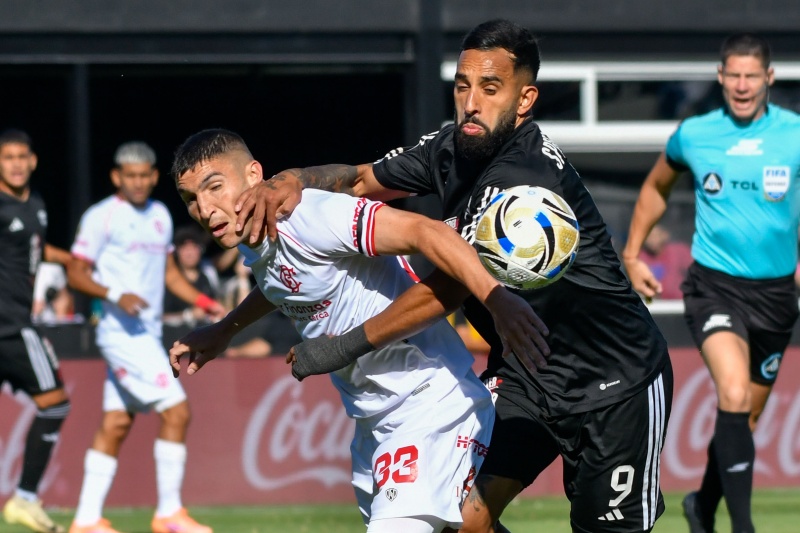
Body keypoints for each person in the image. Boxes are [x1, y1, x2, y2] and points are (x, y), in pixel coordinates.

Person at [235, 19, 673, 533]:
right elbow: (358, 178)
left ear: (525, 98)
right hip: (527, 379)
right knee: (462, 520)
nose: (471, 102)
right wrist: (291, 181)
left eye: (490, 89)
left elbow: (445, 289)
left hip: (614, 383)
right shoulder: (449, 148)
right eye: (463, 86)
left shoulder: (523, 178)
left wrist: (339, 347)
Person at [168, 128, 546, 533]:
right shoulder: (254, 240)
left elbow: (427, 232)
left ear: (253, 174)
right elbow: (281, 284)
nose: (205, 209)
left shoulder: (310, 215)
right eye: (192, 200)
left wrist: (497, 298)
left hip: (429, 404)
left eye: (214, 187)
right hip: (373, 424)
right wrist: (224, 330)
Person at [622, 33, 800, 533]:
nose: (742, 86)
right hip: (714, 287)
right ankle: (742, 526)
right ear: (720, 78)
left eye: (751, 76)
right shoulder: (695, 134)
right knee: (734, 396)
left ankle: (701, 504)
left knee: (742, 419)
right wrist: (632, 253)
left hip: (777, 296)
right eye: (733, 76)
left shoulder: (794, 134)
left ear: (769, 78)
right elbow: (657, 186)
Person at [66, 141, 224, 533]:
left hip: (147, 334)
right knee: (177, 410)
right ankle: (169, 514)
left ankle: (85, 521)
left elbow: (170, 275)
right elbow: (75, 272)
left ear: (154, 177)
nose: (138, 182)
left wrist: (205, 301)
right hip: (120, 334)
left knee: (116, 424)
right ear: (117, 177)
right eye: (129, 176)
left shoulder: (159, 216)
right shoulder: (101, 217)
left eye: (144, 176)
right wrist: (115, 295)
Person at [0, 129, 71, 533]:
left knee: (54, 404)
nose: (14, 163)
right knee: (56, 404)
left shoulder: (35, 205)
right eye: (7, 156)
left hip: (14, 323)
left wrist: (73, 260)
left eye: (20, 156)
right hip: (11, 326)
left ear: (32, 161)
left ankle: (25, 500)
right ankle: (25, 499)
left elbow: (31, 248)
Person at [163, 225, 219, 327]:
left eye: (194, 247)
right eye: (184, 248)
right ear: (176, 252)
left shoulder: (208, 276)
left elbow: (216, 305)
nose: (189, 253)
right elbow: (158, 317)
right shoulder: (166, 281)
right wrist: (188, 315)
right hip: (173, 336)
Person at [634, 223, 692, 300]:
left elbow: (696, 273)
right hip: (656, 305)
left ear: (665, 235)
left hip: (680, 302)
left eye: (655, 235)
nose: (651, 240)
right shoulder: (640, 257)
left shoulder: (679, 251)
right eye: (648, 236)